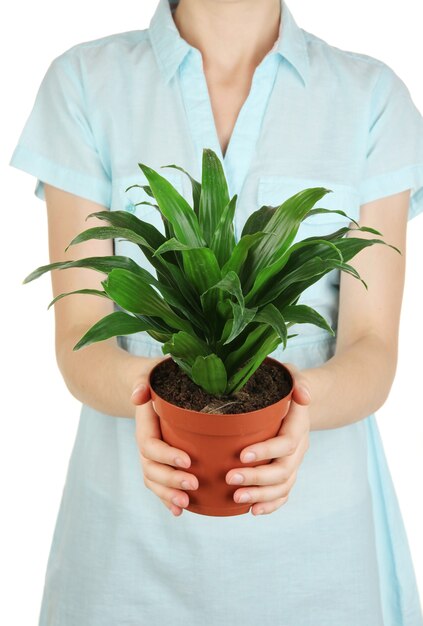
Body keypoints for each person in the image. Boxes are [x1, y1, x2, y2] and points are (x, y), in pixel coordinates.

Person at [9, 0, 423, 624]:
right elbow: (81, 335)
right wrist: (146, 397)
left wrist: (299, 407)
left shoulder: (370, 96)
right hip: (129, 541)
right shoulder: (86, 81)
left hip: (317, 551)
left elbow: (373, 345)